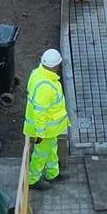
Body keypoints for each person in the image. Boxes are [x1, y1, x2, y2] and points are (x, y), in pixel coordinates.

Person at [23, 48, 70, 189]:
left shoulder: (37, 74)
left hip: (50, 129)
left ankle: (53, 173)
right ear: (55, 66)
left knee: (51, 150)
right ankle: (33, 180)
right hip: (45, 130)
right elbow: (40, 113)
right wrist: (41, 134)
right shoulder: (46, 86)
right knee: (41, 154)